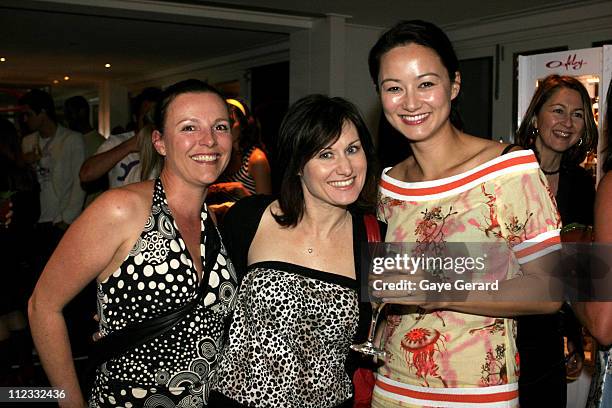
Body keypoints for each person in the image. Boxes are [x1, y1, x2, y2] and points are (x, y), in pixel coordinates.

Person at [368, 20, 562, 407]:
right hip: (388, 389)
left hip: (475, 395)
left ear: (454, 85)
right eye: (394, 88)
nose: (410, 102)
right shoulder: (387, 183)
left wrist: (438, 289)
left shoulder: (509, 168)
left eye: (426, 83)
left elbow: (550, 289)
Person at [28, 79, 238, 407]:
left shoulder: (209, 220)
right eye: (188, 128)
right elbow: (42, 307)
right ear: (159, 142)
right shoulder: (121, 209)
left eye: (219, 126)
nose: (208, 140)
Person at [209, 94, 380, 407]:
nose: (345, 167)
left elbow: (490, 281)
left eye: (352, 149)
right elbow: (205, 305)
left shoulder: (373, 239)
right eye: (325, 154)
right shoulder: (249, 218)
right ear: (298, 164)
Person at [515, 74, 598, 407]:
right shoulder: (507, 170)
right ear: (537, 116)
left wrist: (575, 338)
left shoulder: (580, 184)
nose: (567, 122)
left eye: (577, 114)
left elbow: (578, 267)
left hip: (550, 337)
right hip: (503, 326)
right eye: (558, 110)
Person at [0, 118, 39, 385]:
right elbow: (33, 213)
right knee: (14, 311)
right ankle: (26, 368)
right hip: (19, 252)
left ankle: (6, 377)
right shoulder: (23, 171)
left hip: (2, 249)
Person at [79, 87, 162, 188]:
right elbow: (86, 174)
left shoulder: (166, 144)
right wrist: (129, 146)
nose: (151, 124)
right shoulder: (117, 142)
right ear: (135, 118)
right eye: (146, 118)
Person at [207, 98, 272, 205]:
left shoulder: (256, 159)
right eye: (219, 125)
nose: (224, 129)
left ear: (243, 125)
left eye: (230, 122)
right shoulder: (222, 155)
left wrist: (239, 189)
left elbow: (265, 206)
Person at [64, 95, 107, 207]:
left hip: (91, 207)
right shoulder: (67, 140)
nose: (67, 118)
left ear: (82, 112)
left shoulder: (100, 143)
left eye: (70, 113)